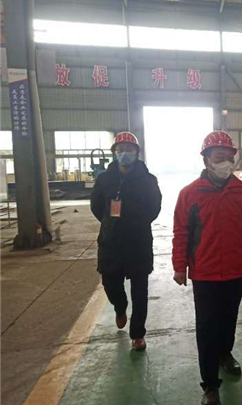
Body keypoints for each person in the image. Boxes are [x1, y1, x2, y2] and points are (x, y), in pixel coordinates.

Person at [172, 131, 242, 405]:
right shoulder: (189, 194)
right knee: (206, 327)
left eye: (228, 157)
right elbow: (181, 233)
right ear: (206, 160)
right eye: (218, 157)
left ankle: (225, 354)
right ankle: (210, 385)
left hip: (236, 269)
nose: (224, 162)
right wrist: (179, 266)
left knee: (228, 318)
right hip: (204, 273)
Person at [91, 132, 162, 351]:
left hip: (138, 242)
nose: (124, 153)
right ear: (114, 153)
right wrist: (110, 223)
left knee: (140, 291)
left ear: (137, 153)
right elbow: (96, 206)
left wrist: (137, 222)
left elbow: (155, 207)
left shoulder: (148, 180)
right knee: (110, 284)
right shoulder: (104, 180)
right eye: (120, 150)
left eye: (129, 149)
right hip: (110, 243)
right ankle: (120, 307)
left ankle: (138, 334)